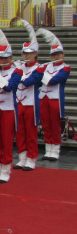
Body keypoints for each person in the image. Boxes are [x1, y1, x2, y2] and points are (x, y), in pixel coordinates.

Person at [0, 30, 22, 183]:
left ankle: (6, 168)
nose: (1, 61)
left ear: (11, 58)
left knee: (6, 138)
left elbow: (9, 87)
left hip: (7, 108)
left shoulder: (17, 70)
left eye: (5, 58)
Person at [37, 29, 70, 162]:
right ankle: (48, 149)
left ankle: (55, 150)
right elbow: (38, 78)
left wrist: (41, 74)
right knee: (45, 124)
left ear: (63, 54)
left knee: (55, 125)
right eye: (54, 55)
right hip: (43, 98)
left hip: (55, 99)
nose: (56, 57)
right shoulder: (46, 66)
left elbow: (55, 80)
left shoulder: (65, 67)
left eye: (58, 54)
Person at [14, 21, 44, 171]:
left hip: (31, 104)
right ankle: (22, 157)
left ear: (35, 54)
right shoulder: (19, 66)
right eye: (24, 53)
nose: (26, 55)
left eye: (29, 53)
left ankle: (31, 158)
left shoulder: (40, 68)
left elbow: (29, 82)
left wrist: (18, 72)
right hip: (18, 102)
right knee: (19, 132)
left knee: (31, 132)